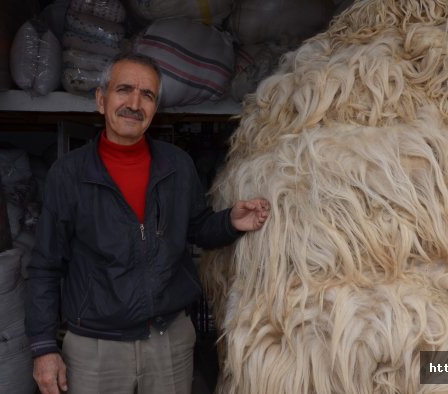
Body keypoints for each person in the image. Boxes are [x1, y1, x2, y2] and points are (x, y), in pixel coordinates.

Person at [25, 52, 270, 394]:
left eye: (148, 95)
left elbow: (197, 228)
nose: (135, 103)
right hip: (96, 348)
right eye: (124, 89)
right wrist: (43, 347)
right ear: (101, 99)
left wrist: (230, 221)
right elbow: (45, 267)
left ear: (155, 109)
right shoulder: (69, 174)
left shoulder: (177, 165)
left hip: (168, 341)